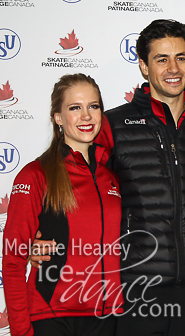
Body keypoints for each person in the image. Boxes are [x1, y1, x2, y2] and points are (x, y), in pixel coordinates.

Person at [31, 19, 185, 336]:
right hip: (138, 287)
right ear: (143, 66)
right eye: (161, 59)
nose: (173, 68)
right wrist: (44, 235)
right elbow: (75, 182)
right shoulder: (113, 125)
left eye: (180, 57)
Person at [3, 73, 123, 336]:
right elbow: (13, 261)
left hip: (107, 318)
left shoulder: (111, 177)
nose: (86, 116)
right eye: (74, 108)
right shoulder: (35, 175)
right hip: (53, 318)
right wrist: (22, 332)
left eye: (93, 106)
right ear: (58, 118)